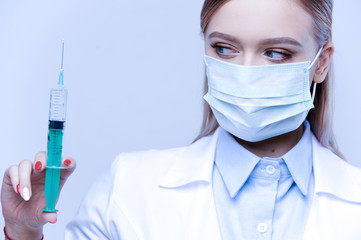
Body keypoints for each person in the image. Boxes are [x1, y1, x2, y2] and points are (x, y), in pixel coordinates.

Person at [2, 0, 361, 239]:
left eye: (276, 53)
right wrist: (23, 231)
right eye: (224, 48)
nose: (246, 71)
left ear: (322, 62)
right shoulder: (129, 188)